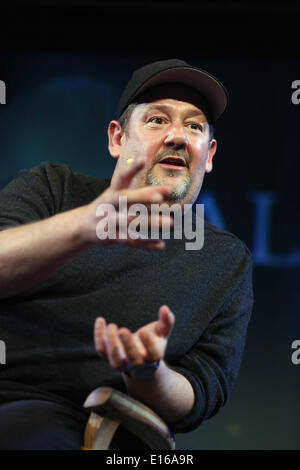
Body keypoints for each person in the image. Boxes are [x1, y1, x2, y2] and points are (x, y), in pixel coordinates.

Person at [0, 59, 253, 449]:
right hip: (15, 405)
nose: (177, 136)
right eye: (156, 120)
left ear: (210, 153)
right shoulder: (52, 188)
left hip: (117, 428)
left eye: (194, 126)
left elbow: (204, 388)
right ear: (117, 139)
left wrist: (149, 371)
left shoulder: (226, 260)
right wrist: (86, 226)